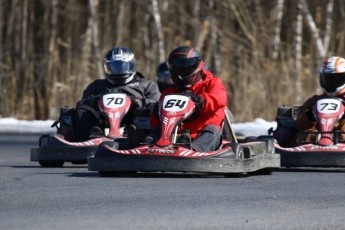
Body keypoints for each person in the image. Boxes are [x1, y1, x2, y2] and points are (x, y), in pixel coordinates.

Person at [58, 46, 160, 142]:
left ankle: (139, 136)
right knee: (82, 111)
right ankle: (89, 137)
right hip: (103, 122)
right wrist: (97, 100)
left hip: (133, 123)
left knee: (148, 110)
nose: (118, 71)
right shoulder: (97, 85)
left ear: (131, 66)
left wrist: (136, 101)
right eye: (114, 67)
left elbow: (157, 105)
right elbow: (82, 104)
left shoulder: (147, 85)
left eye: (122, 67)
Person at [146, 46, 227, 152]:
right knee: (157, 128)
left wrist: (200, 100)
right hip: (175, 136)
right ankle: (147, 145)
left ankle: (194, 150)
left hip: (202, 135)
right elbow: (156, 122)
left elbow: (219, 100)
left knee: (211, 130)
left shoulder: (212, 84)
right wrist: (157, 111)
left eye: (184, 68)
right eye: (176, 68)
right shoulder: (170, 92)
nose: (179, 73)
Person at [295, 56, 345, 142]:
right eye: (327, 79)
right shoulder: (314, 101)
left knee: (342, 136)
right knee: (306, 136)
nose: (331, 83)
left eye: (336, 79)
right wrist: (310, 115)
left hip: (340, 138)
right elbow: (299, 126)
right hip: (316, 142)